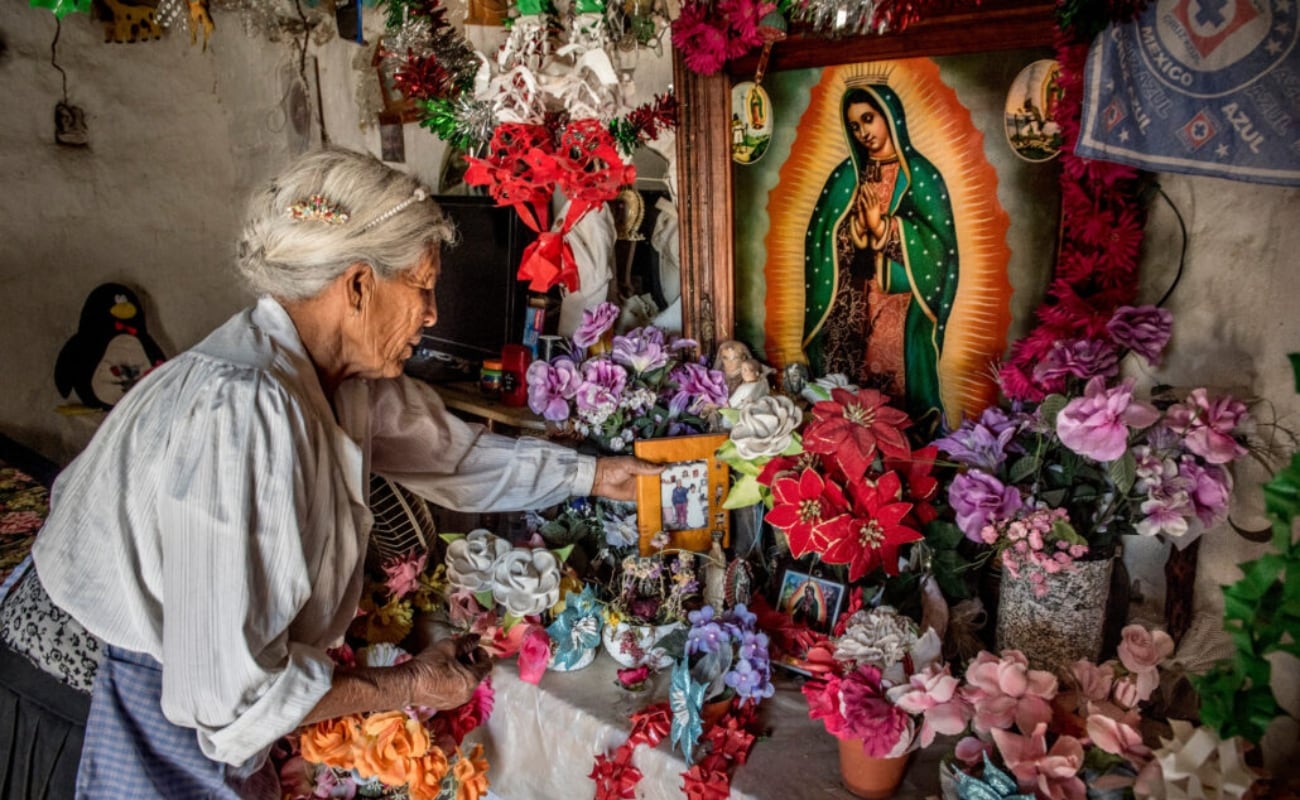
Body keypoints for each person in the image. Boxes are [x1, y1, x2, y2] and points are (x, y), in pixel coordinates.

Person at [0, 146, 660, 799]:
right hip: (83, 697)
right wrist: (408, 684)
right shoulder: (246, 409)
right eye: (424, 287)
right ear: (357, 285)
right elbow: (231, 700)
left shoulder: (340, 379)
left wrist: (600, 477)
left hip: (171, 684)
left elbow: (451, 455)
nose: (432, 315)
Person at [803, 82, 958, 429]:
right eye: (855, 126)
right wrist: (855, 234)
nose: (862, 132)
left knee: (896, 393)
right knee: (853, 390)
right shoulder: (848, 175)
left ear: (890, 117)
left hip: (900, 306)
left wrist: (886, 228)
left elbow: (938, 248)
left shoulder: (919, 174)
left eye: (868, 119)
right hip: (854, 303)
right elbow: (822, 238)